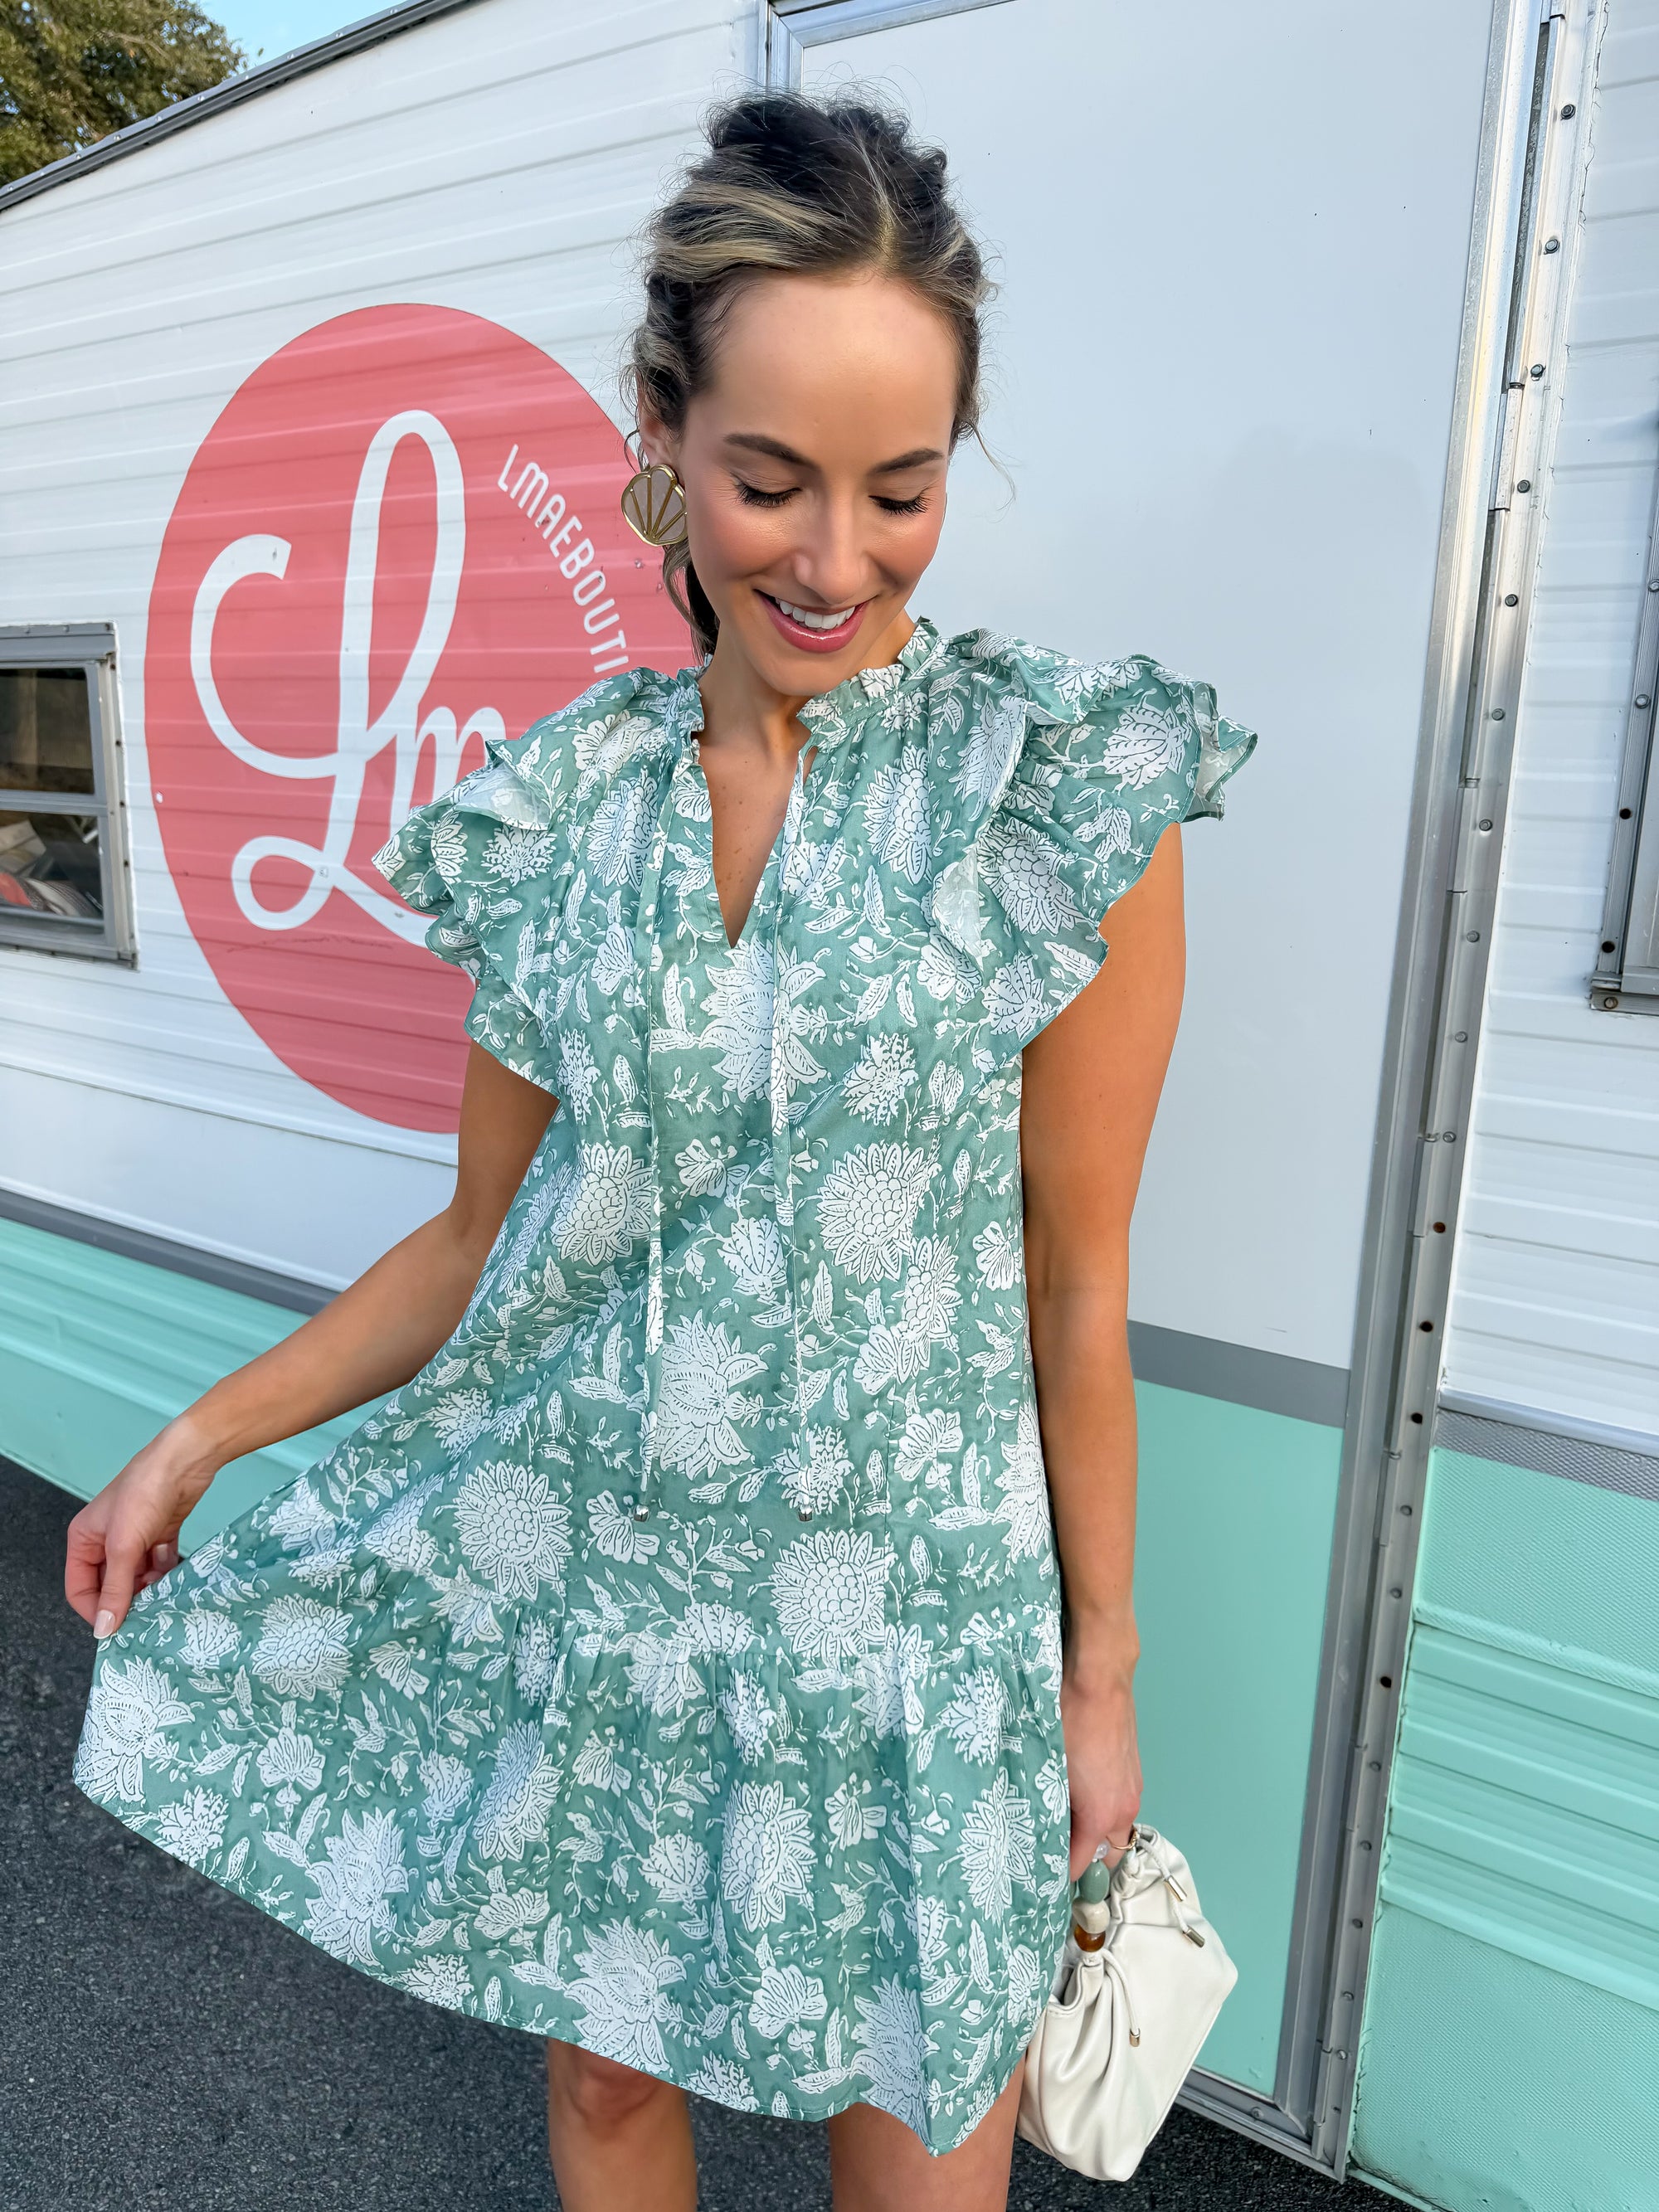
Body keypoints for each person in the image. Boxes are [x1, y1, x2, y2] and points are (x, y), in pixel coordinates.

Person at [64, 90, 1254, 2212]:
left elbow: (1077, 1282)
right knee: (612, 2100)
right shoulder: (559, 817)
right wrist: (195, 1441)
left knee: (917, 2154)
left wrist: (1102, 1678)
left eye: (901, 489)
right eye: (769, 479)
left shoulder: (1057, 796)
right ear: (660, 423)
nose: (833, 558)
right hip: (607, 1599)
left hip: (911, 1634)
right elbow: (473, 1242)